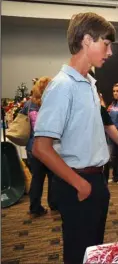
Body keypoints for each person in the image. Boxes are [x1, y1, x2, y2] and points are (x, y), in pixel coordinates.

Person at [32, 12, 115, 263]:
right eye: (106, 44)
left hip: (96, 180)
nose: (109, 52)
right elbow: (41, 148)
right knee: (79, 255)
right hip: (78, 183)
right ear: (87, 40)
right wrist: (80, 185)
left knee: (93, 253)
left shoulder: (89, 83)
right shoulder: (62, 86)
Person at [21, 76, 57, 217]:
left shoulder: (28, 105)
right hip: (50, 147)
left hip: (33, 147)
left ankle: (35, 207)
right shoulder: (52, 104)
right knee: (53, 177)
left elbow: (22, 122)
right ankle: (54, 204)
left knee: (37, 179)